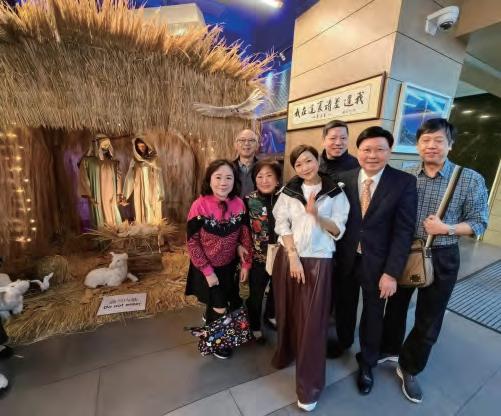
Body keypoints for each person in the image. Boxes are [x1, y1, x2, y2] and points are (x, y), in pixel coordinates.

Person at [380, 118, 489, 404]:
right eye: (425, 140)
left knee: (429, 317)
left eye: (439, 140)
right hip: (404, 252)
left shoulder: (469, 179)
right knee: (395, 306)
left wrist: (446, 228)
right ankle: (389, 349)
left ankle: (410, 367)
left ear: (450, 145)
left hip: (442, 255)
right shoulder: (405, 175)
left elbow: (479, 222)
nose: (431, 146)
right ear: (417, 145)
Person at [333, 126, 417, 395]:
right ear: (357, 151)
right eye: (367, 149)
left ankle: (367, 362)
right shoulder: (343, 178)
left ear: (389, 151)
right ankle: (343, 341)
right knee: (344, 305)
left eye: (380, 149)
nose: (372, 155)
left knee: (372, 314)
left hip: (379, 264)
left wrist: (392, 273)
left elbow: (404, 231)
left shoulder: (403, 182)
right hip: (346, 257)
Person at [272, 145, 350, 412]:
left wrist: (317, 214)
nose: (305, 167)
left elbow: (338, 230)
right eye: (299, 164)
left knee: (313, 324)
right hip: (289, 258)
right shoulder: (289, 190)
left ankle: (309, 387)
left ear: (318, 160)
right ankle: (287, 352)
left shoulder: (335, 192)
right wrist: (292, 255)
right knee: (286, 312)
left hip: (319, 261)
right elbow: (281, 224)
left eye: (309, 161)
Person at [185, 159, 253, 360]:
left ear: (234, 181)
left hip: (229, 266)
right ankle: (216, 343)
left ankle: (212, 316)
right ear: (209, 179)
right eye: (218, 177)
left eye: (228, 177)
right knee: (220, 305)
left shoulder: (239, 204)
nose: (223, 182)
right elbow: (192, 242)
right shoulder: (199, 206)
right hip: (206, 267)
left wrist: (246, 263)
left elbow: (245, 236)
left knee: (228, 301)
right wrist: (207, 271)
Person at [244, 159, 282, 343]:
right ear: (254, 179)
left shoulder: (286, 198)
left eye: (269, 176)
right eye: (260, 176)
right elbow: (243, 231)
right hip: (258, 257)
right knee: (256, 293)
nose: (265, 180)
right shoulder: (248, 201)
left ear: (277, 179)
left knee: (277, 289)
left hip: (281, 255)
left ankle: (270, 315)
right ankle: (254, 324)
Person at [78, 134, 123, 228]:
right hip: (98, 193)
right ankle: (103, 232)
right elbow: (84, 178)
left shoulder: (113, 162)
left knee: (112, 210)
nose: (106, 147)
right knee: (100, 211)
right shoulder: (88, 162)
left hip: (111, 192)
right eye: (103, 144)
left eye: (107, 145)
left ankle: (114, 230)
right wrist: (89, 195)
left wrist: (119, 194)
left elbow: (118, 178)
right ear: (97, 145)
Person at [123, 135, 165, 224]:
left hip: (152, 188)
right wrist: (125, 195)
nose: (141, 148)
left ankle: (153, 224)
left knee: (151, 206)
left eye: (143, 146)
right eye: (139, 146)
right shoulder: (134, 161)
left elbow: (159, 175)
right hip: (140, 189)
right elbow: (130, 178)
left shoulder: (154, 159)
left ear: (147, 145)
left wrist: (160, 190)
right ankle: (143, 225)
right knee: (141, 206)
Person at [233, 129, 259, 198]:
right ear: (236, 145)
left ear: (257, 146)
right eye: (242, 140)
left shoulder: (263, 168)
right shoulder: (229, 168)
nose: (247, 143)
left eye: (251, 140)